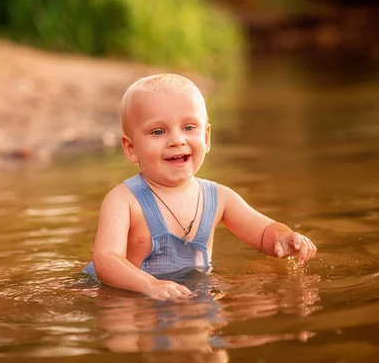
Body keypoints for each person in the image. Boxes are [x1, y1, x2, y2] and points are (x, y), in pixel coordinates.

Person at [84, 73, 317, 300]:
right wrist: (149, 285)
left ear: (206, 138)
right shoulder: (124, 200)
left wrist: (284, 238)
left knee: (257, 302)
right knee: (120, 320)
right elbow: (106, 259)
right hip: (132, 293)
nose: (177, 140)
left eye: (188, 127)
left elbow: (263, 232)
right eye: (158, 131)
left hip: (187, 294)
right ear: (131, 148)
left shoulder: (219, 198)